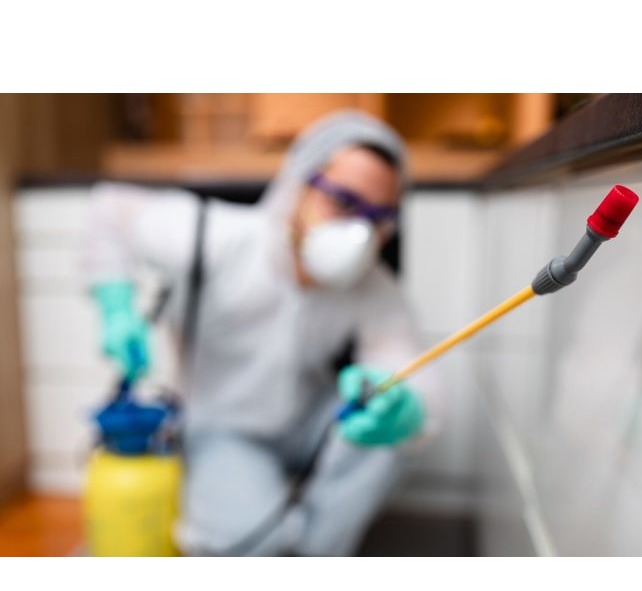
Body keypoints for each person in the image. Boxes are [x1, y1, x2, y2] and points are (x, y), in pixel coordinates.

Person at [83, 110, 445, 556]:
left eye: (378, 216)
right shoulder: (217, 237)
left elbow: (411, 368)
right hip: (224, 429)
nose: (360, 233)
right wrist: (116, 305)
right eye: (344, 202)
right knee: (256, 542)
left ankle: (319, 553)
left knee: (388, 439)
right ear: (299, 183)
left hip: (307, 424)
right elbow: (110, 210)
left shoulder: (373, 289)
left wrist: (404, 408)